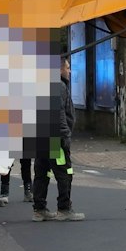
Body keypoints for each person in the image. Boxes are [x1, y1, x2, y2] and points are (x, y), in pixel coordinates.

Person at [31, 60, 81, 222]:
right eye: (67, 68)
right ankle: (64, 208)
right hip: (55, 138)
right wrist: (64, 136)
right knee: (65, 172)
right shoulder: (58, 86)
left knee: (42, 172)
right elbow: (58, 114)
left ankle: (39, 209)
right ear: (59, 70)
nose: (70, 71)